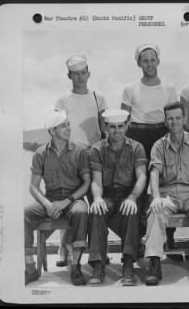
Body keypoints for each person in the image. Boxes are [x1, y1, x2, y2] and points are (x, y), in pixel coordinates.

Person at [144, 101, 189, 286]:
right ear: (165, 121)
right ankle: (154, 262)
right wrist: (156, 196)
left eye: (177, 118)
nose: (174, 122)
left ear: (184, 119)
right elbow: (154, 172)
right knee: (156, 211)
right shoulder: (159, 145)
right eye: (170, 119)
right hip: (168, 195)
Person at [121, 44, 179, 253]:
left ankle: (167, 242)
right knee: (136, 186)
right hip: (137, 137)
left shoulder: (170, 88)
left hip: (162, 136)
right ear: (138, 63)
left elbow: (174, 118)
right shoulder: (129, 89)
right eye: (144, 60)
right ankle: (135, 242)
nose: (149, 64)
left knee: (165, 185)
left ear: (158, 61)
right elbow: (124, 121)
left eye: (152, 59)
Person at [24, 110, 90, 285]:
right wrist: (47, 204)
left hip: (73, 200)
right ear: (52, 131)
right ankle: (30, 268)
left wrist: (66, 201)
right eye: (64, 125)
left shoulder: (80, 151)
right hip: (50, 200)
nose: (69, 128)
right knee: (24, 214)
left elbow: (86, 183)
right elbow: (33, 186)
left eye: (69, 124)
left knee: (81, 211)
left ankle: (75, 267)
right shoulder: (40, 154)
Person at [54, 55, 108, 267]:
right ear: (69, 75)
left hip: (93, 154)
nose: (79, 77)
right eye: (75, 73)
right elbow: (58, 129)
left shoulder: (98, 97)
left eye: (83, 72)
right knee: (69, 201)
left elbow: (105, 129)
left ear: (88, 73)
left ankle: (98, 252)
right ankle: (63, 251)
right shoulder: (62, 100)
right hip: (70, 155)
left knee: (97, 204)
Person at [87, 109, 147, 286]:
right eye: (112, 127)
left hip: (129, 192)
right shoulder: (97, 149)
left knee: (131, 212)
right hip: (107, 194)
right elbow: (96, 181)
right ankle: (98, 266)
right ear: (105, 127)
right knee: (97, 212)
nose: (117, 131)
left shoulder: (137, 147)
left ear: (127, 126)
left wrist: (133, 197)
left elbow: (142, 176)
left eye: (121, 126)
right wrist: (97, 198)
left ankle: (128, 264)